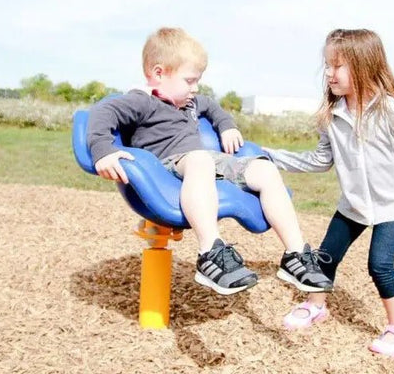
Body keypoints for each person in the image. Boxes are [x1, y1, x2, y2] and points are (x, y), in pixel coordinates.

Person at [87, 27, 333, 297]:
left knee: (265, 168)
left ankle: (295, 255)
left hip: (205, 161)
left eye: (197, 81)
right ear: (159, 74)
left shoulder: (191, 102)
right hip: (165, 168)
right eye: (189, 80)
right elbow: (103, 112)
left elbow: (214, 108)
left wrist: (227, 127)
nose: (195, 88)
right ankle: (210, 252)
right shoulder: (141, 101)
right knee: (200, 161)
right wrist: (102, 149)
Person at [264, 28, 394, 358]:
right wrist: (269, 155)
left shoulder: (393, 111)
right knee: (324, 257)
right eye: (327, 65)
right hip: (353, 206)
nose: (329, 73)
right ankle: (316, 305)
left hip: (393, 207)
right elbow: (319, 161)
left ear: (363, 65)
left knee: (380, 266)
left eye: (337, 65)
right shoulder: (332, 116)